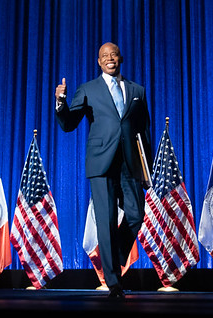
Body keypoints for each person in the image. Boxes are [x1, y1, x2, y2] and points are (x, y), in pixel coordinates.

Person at [54, 42, 152, 299]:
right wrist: (60, 102)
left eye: (113, 55)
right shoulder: (88, 89)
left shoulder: (137, 90)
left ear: (121, 58)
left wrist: (147, 170)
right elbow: (68, 124)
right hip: (101, 162)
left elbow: (144, 131)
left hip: (130, 163)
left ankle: (113, 254)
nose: (110, 59)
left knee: (136, 215)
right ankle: (113, 281)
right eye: (104, 56)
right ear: (99, 62)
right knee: (106, 221)